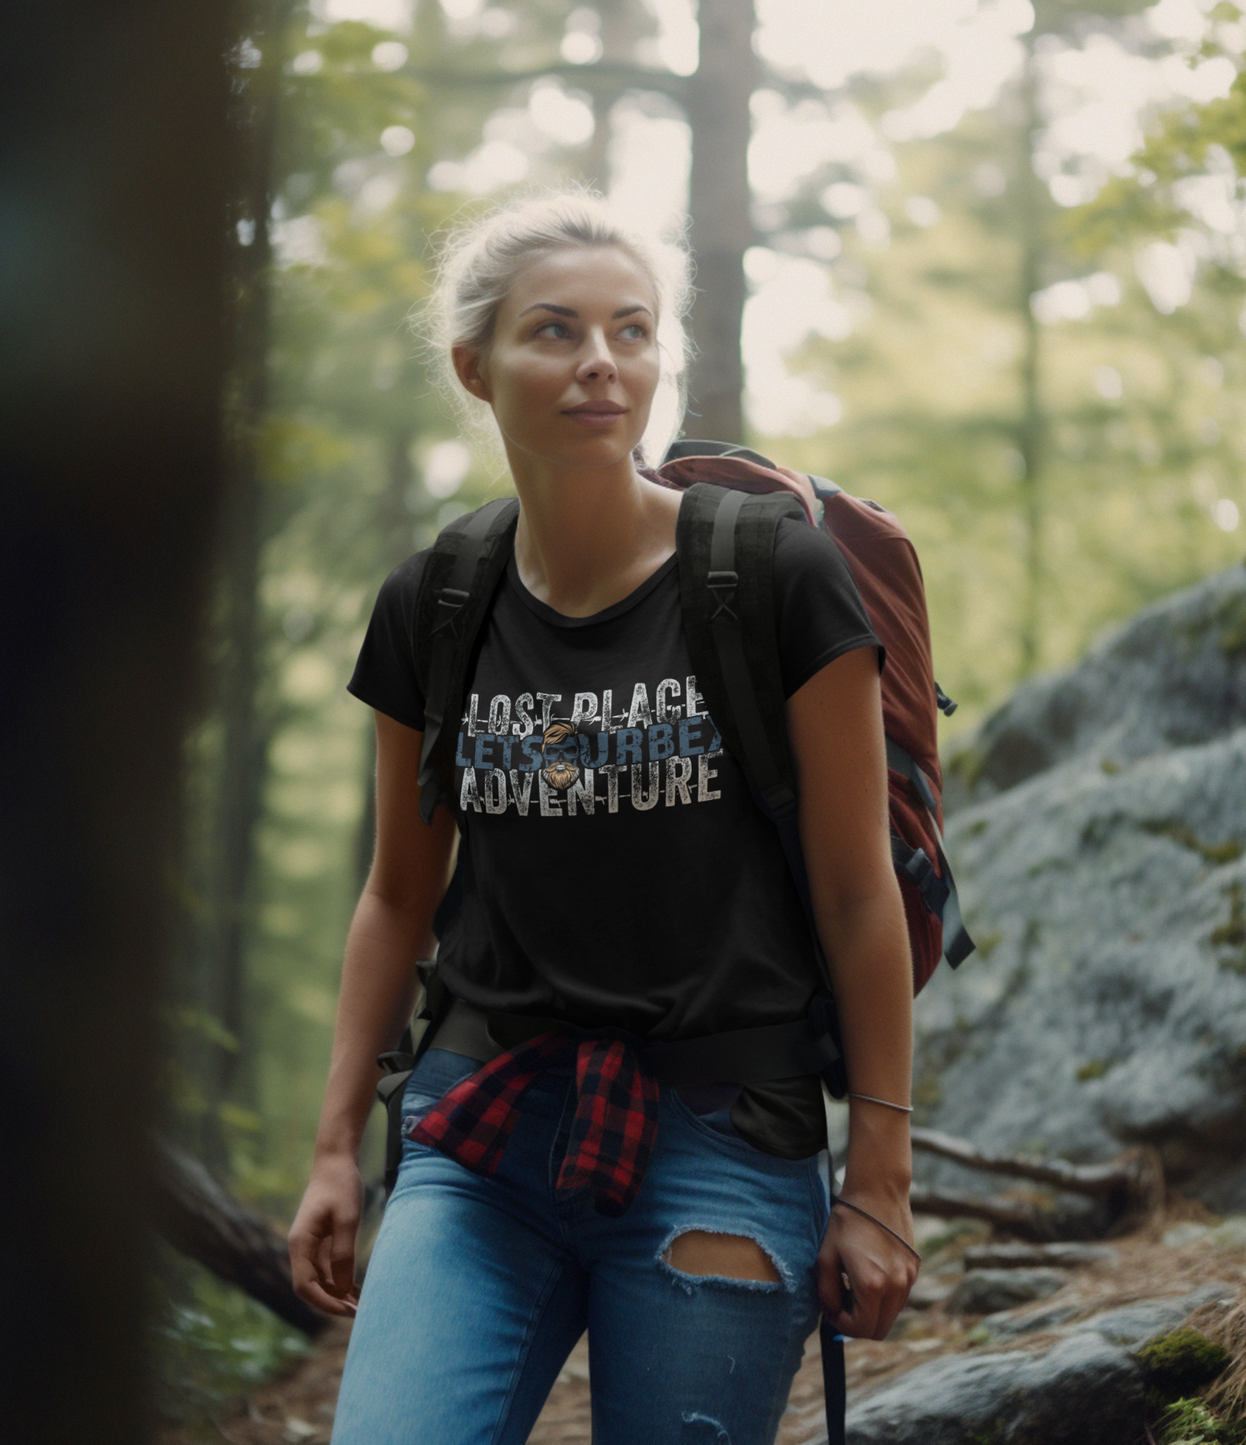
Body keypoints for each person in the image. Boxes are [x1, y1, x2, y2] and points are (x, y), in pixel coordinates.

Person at [288, 191, 919, 1445]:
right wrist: (330, 1150)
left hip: (722, 1137)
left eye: (630, 331)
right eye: (554, 331)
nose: (598, 363)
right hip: (481, 1134)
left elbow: (858, 897)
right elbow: (396, 895)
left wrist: (880, 1182)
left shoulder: (771, 579)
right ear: (475, 366)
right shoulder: (436, 599)